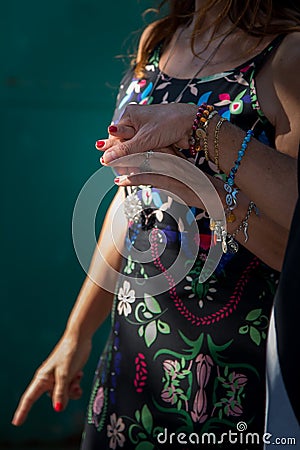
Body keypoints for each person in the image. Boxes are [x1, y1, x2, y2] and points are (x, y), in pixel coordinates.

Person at [12, 1, 300, 449]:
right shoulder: (158, 43)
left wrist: (204, 189)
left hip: (238, 363)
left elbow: (293, 243)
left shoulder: (288, 54)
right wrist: (76, 334)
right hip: (134, 357)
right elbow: (131, 204)